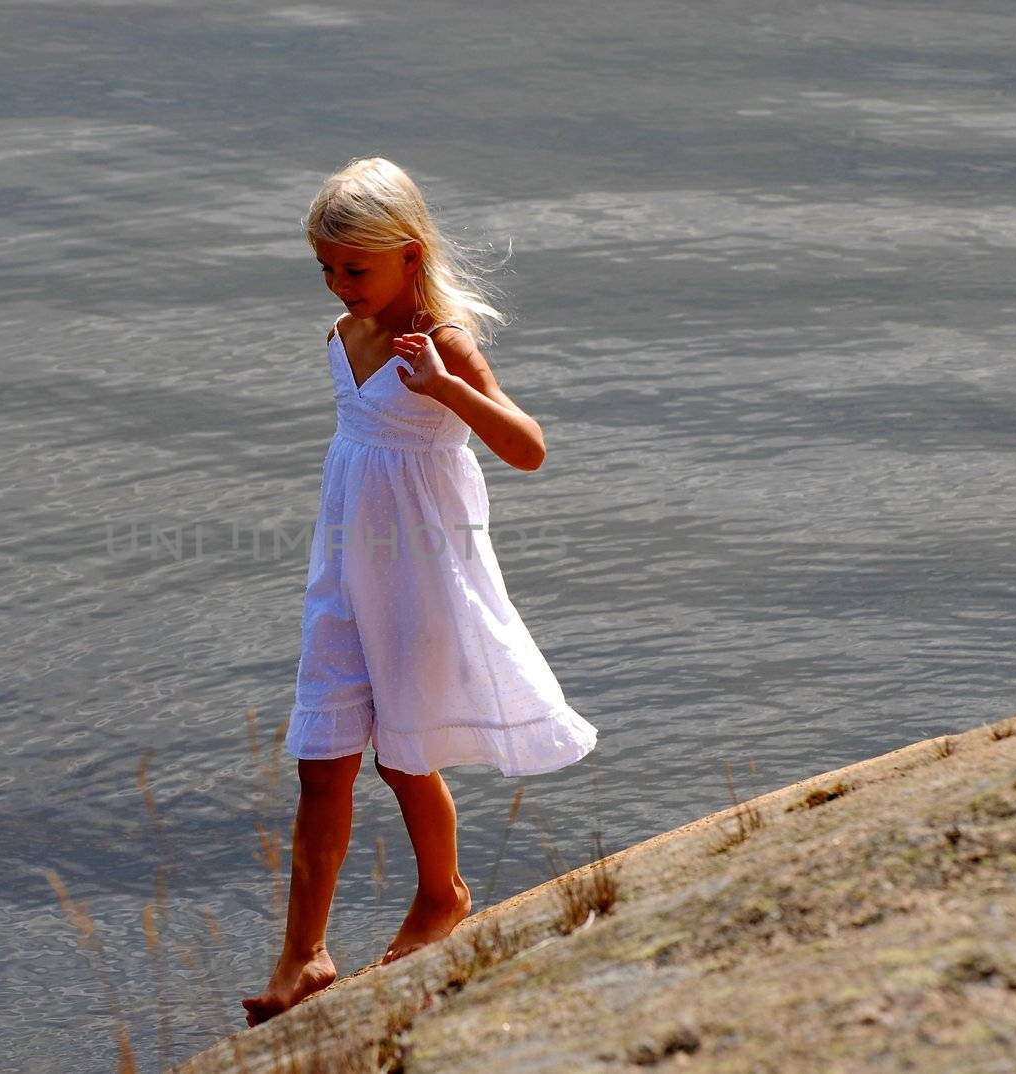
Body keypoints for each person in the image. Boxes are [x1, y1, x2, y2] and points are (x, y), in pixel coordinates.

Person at [241, 157, 598, 1028]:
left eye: (354, 268)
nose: (338, 285)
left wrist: (443, 387)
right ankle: (304, 955)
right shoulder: (342, 337)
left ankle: (442, 894)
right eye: (325, 269)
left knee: (405, 759)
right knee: (320, 759)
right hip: (343, 571)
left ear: (409, 254)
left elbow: (528, 448)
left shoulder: (447, 341)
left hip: (421, 571)